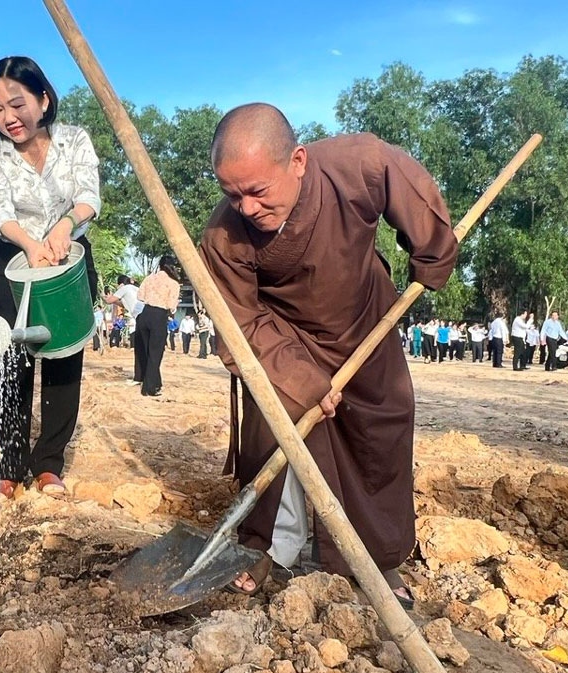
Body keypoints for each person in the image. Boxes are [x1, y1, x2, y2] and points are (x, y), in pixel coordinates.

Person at [198, 104, 458, 602]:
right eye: (232, 194)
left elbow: (407, 187)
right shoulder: (222, 236)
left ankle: (374, 560)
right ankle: (270, 546)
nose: (246, 208)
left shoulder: (357, 164)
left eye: (257, 191)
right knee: (277, 426)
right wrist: (300, 381)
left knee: (380, 425)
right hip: (282, 336)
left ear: (297, 162)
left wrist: (431, 252)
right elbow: (241, 323)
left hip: (365, 317)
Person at [0, 56, 101, 502]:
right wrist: (32, 246)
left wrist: (64, 227)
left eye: (17, 104)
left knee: (63, 355)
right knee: (11, 363)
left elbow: (89, 196)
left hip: (67, 256)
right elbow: (1, 213)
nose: (8, 118)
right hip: (16, 258)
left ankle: (49, 465)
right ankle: (9, 468)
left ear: (43, 99)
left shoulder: (74, 141)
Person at [135, 256, 182, 396]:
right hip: (159, 316)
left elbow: (139, 296)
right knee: (155, 354)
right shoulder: (173, 283)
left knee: (146, 352)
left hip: (145, 314)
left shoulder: (149, 278)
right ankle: (149, 389)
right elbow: (171, 306)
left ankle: (155, 382)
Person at [104, 275, 142, 378]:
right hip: (145, 315)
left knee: (139, 349)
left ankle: (139, 376)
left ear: (120, 284)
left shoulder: (124, 288)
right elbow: (122, 304)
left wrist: (105, 296)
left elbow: (109, 301)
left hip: (140, 317)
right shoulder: (135, 289)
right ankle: (142, 375)